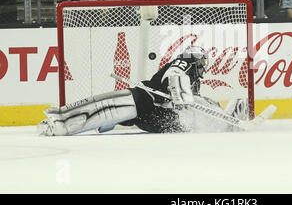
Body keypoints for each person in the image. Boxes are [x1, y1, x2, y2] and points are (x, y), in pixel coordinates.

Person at [38, 46, 249, 135]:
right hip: (143, 99)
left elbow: (191, 103)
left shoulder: (195, 80)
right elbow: (174, 76)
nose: (204, 64)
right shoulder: (185, 62)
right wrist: (181, 96)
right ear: (194, 57)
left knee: (180, 125)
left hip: (155, 116)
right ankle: (58, 122)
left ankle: (227, 121)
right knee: (100, 110)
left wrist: (206, 107)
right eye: (202, 60)